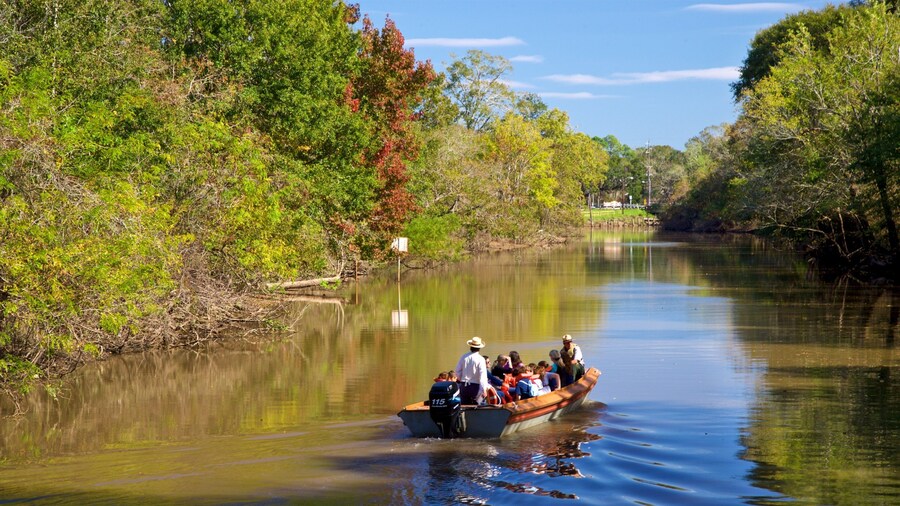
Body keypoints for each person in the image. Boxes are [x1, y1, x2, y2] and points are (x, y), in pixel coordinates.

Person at [455, 336, 490, 405]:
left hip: (464, 385)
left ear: (470, 346)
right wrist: (484, 389)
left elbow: (457, 371)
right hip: (475, 386)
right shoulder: (480, 359)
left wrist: (461, 379)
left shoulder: (464, 357)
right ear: (479, 348)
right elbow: (482, 376)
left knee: (464, 405)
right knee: (475, 405)